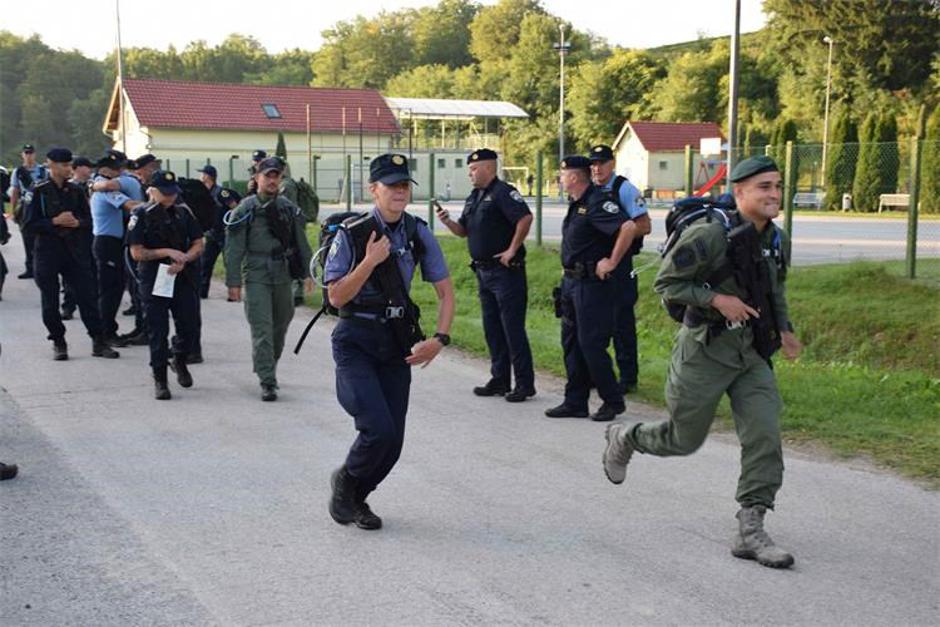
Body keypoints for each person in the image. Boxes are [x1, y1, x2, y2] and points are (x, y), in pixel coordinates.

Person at [602, 155, 803, 569]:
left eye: (778, 186)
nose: (774, 194)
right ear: (741, 191)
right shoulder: (710, 234)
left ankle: (751, 527)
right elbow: (667, 284)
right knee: (684, 439)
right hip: (704, 350)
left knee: (765, 434)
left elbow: (774, 289)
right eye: (764, 187)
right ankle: (628, 437)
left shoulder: (775, 238)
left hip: (752, 353)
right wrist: (717, 299)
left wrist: (784, 328)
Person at [324, 153, 454, 530]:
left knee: (392, 444)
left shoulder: (417, 231)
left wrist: (440, 339)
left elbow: (446, 293)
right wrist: (369, 262)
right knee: (377, 429)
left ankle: (358, 498)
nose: (399, 192)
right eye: (391, 185)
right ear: (373, 189)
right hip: (356, 341)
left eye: (404, 185)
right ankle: (346, 482)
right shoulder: (352, 233)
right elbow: (335, 297)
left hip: (395, 341)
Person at [437, 148, 536, 402]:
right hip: (483, 271)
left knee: (512, 329)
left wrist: (512, 249)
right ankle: (500, 379)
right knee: (492, 328)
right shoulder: (475, 196)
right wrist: (447, 221)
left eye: (473, 168)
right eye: (469, 169)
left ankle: (524, 384)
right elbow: (464, 231)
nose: (469, 173)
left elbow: (525, 218)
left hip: (506, 272)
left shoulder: (503, 192)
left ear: (488, 168)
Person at [545, 156, 637, 422]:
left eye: (563, 175)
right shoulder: (578, 204)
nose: (560, 180)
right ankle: (575, 401)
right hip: (571, 283)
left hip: (592, 286)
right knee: (571, 343)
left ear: (574, 177)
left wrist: (612, 261)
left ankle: (612, 400)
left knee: (591, 345)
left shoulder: (597, 202)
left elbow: (628, 227)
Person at [224, 157, 313, 401]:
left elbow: (301, 242)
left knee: (281, 326)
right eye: (268, 176)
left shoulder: (288, 208)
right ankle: (267, 380)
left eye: (277, 176)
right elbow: (233, 248)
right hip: (256, 274)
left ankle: (267, 366)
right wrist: (233, 283)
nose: (272, 180)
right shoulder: (245, 209)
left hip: (282, 274)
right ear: (256, 178)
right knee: (262, 328)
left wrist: (307, 273)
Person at [22, 148, 119, 361]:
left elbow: (88, 220)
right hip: (47, 252)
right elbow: (27, 224)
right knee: (50, 300)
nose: (68, 169)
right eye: (64, 165)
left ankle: (98, 340)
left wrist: (78, 223)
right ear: (51, 165)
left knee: (87, 297)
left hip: (74, 252)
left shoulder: (75, 191)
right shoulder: (38, 191)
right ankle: (58, 341)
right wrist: (54, 222)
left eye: (69, 165)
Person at [127, 170, 204, 400]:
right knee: (157, 330)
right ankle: (160, 377)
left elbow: (199, 242)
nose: (170, 197)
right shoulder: (140, 214)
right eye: (165, 193)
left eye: (173, 193)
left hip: (182, 277)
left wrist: (185, 258)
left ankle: (179, 358)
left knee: (189, 326)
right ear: (152, 190)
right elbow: (136, 252)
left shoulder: (183, 213)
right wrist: (166, 252)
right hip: (154, 278)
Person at [588, 144, 652, 394]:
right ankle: (600, 374)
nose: (596, 168)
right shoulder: (591, 190)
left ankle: (628, 377)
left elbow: (644, 225)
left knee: (620, 323)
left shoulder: (624, 189)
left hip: (620, 264)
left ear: (611, 164)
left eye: (601, 163)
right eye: (593, 163)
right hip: (596, 265)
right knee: (595, 323)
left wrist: (617, 232)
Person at [89, 151, 145, 346]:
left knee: (113, 289)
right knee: (109, 291)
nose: (119, 172)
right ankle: (106, 333)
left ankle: (107, 330)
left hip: (109, 242)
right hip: (107, 243)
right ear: (105, 170)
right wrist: (156, 204)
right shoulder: (105, 189)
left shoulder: (101, 186)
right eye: (116, 169)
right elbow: (131, 206)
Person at [60, 156, 95, 320]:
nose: (90, 170)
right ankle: (68, 306)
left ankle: (91, 305)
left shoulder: (93, 185)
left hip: (89, 231)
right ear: (78, 168)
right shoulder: (69, 188)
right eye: (87, 167)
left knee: (89, 272)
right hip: (71, 235)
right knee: (70, 273)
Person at [8, 144, 47, 279]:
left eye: (31, 153)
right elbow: (15, 192)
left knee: (41, 238)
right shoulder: (18, 172)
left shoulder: (43, 171)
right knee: (27, 239)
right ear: (22, 155)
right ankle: (30, 268)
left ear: (35, 154)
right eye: (26, 153)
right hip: (25, 206)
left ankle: (41, 267)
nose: (29, 156)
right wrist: (13, 212)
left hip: (40, 206)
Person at [197, 164, 225, 299]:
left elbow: (235, 208)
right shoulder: (203, 193)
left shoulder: (221, 192)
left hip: (225, 234)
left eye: (202, 174)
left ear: (208, 176)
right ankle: (202, 292)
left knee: (230, 264)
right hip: (211, 234)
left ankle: (234, 291)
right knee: (205, 263)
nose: (201, 176)